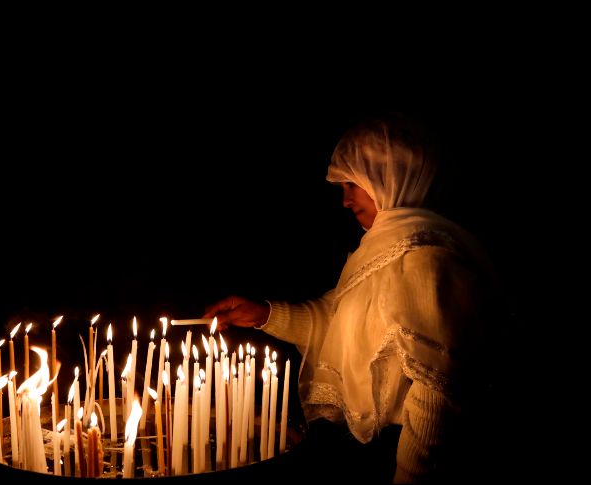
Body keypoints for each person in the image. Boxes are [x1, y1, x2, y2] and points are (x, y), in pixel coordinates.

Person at [203, 113, 502, 483]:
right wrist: (263, 315)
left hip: (408, 462)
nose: (345, 201)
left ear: (388, 178)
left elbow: (435, 396)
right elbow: (337, 320)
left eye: (352, 186)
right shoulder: (385, 248)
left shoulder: (427, 260)